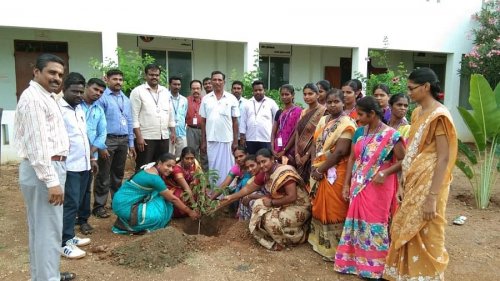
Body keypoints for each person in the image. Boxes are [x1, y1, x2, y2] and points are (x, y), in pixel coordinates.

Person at [384, 68, 458, 281]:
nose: (409, 93)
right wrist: (401, 184)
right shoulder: (416, 113)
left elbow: (443, 158)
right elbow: (412, 152)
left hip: (431, 184)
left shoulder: (440, 116)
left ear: (426, 87)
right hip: (413, 180)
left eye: (412, 88)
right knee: (404, 228)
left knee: (428, 230)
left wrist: (432, 197)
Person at [14, 53, 76, 281]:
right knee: (48, 232)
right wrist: (52, 181)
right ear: (36, 72)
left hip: (48, 168)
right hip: (44, 170)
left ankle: (43, 276)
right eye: (51, 72)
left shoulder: (45, 97)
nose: (57, 78)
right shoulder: (34, 100)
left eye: (60, 74)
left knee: (43, 230)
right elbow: (39, 146)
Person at [334, 96, 405, 279]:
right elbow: (352, 158)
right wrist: (347, 183)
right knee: (356, 223)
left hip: (380, 184)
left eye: (361, 114)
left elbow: (405, 161)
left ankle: (375, 268)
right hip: (359, 184)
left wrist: (386, 173)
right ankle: (353, 263)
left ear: (372, 114)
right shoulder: (359, 132)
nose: (358, 118)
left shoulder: (392, 135)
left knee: (375, 223)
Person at [221, 148, 311, 250]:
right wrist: (231, 197)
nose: (262, 165)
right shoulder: (264, 173)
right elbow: (247, 189)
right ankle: (278, 235)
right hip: (283, 204)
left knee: (268, 220)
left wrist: (272, 202)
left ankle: (292, 240)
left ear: (272, 159)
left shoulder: (285, 172)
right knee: (258, 205)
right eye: (259, 163)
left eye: (264, 161)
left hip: (298, 206)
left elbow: (292, 197)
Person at [308, 89, 356, 260]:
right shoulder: (323, 120)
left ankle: (336, 248)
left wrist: (320, 169)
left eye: (336, 102)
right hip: (319, 168)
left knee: (335, 206)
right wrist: (315, 164)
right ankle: (319, 242)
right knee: (319, 204)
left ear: (344, 103)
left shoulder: (347, 123)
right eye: (329, 102)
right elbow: (314, 144)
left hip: (337, 170)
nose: (333, 105)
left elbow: (340, 152)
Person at [112, 153, 200, 234]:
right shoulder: (155, 178)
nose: (170, 169)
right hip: (124, 205)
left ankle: (127, 220)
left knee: (161, 198)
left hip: (121, 202)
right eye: (168, 166)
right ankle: (133, 226)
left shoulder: (150, 168)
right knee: (161, 211)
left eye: (173, 167)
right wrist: (190, 212)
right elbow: (173, 199)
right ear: (160, 163)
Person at [58, 72, 94, 260]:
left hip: (84, 164)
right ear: (64, 90)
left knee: (79, 201)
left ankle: (70, 235)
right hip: (69, 165)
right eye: (75, 91)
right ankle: (63, 243)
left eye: (81, 91)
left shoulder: (79, 108)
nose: (79, 95)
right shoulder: (58, 110)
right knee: (70, 204)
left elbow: (82, 136)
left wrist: (91, 159)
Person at [93, 69, 136, 218]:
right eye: (115, 79)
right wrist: (101, 144)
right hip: (108, 140)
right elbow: (98, 121)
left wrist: (131, 143)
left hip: (123, 140)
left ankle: (116, 202)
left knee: (118, 174)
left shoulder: (125, 99)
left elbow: (129, 121)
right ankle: (99, 206)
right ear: (107, 80)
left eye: (120, 79)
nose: (118, 82)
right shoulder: (102, 98)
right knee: (103, 174)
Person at [130, 64, 175, 171]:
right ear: (146, 75)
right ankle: (141, 188)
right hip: (146, 138)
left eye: (157, 75)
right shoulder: (137, 91)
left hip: (163, 136)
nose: (154, 77)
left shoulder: (165, 92)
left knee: (162, 167)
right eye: (151, 75)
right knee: (144, 167)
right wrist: (139, 137)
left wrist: (173, 131)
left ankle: (157, 187)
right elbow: (133, 116)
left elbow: (170, 113)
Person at [77, 78, 107, 235]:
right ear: (87, 87)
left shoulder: (99, 110)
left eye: (101, 92)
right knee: (72, 190)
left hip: (90, 157)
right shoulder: (75, 106)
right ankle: (68, 219)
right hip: (72, 155)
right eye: (95, 89)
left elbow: (102, 134)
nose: (98, 93)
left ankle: (83, 220)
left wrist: (91, 154)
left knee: (86, 189)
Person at [200, 70, 240, 186]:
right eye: (214, 80)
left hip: (227, 139)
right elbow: (203, 121)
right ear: (211, 81)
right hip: (211, 139)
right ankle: (215, 193)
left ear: (224, 82)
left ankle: (228, 192)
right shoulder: (206, 99)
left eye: (219, 80)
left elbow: (235, 121)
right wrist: (203, 141)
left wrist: (236, 141)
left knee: (228, 167)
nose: (217, 82)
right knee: (213, 167)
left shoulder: (231, 98)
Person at [294, 83, 326, 182]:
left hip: (313, 153)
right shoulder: (303, 112)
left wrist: (307, 155)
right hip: (300, 153)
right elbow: (298, 133)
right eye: (305, 94)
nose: (307, 97)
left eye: (310, 94)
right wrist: (296, 154)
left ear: (317, 95)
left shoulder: (324, 111)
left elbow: (318, 135)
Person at [240, 80, 278, 154]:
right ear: (253, 91)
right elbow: (243, 121)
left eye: (260, 90)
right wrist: (242, 137)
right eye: (255, 90)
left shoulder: (271, 103)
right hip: (250, 138)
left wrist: (275, 137)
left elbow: (277, 119)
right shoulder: (247, 103)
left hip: (266, 139)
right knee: (252, 160)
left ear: (264, 90)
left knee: (265, 160)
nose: (258, 92)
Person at [162, 147, 203, 217]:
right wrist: (194, 206)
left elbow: (202, 179)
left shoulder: (195, 164)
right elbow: (186, 189)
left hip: (189, 187)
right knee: (181, 198)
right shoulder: (177, 169)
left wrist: (202, 196)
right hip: (176, 188)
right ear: (182, 158)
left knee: (200, 188)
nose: (190, 161)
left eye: (192, 158)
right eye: (187, 158)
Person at [271, 84, 302, 165]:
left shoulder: (298, 111)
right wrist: (272, 147)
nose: (284, 97)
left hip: (291, 148)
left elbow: (296, 132)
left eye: (287, 94)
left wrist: (285, 150)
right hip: (277, 148)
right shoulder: (279, 112)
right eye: (282, 95)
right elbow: (273, 132)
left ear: (293, 95)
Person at [236, 155, 268, 221]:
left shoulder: (266, 176)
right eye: (247, 167)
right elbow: (243, 191)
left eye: (252, 166)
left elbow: (271, 196)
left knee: (252, 201)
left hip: (271, 202)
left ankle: (255, 223)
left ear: (259, 164)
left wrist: (252, 196)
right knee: (244, 195)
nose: (250, 169)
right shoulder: (254, 178)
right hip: (264, 199)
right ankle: (244, 222)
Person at [186, 79, 208, 170]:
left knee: (205, 152)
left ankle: (206, 176)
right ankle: (194, 175)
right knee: (192, 153)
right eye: (193, 88)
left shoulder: (206, 100)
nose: (195, 90)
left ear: (201, 89)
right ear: (190, 89)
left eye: (198, 88)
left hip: (204, 129)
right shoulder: (186, 101)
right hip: (191, 130)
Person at [168, 76, 188, 158]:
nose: (177, 86)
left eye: (179, 84)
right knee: (168, 158)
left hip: (181, 133)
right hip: (168, 134)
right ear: (170, 84)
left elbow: (184, 115)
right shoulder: (165, 98)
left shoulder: (184, 100)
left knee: (181, 158)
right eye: (174, 84)